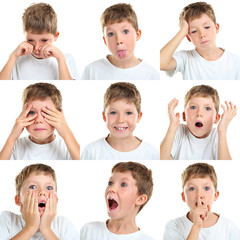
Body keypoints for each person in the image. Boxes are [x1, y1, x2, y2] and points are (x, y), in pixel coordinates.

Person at [160, 1, 240, 80]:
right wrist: (183, 31)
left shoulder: (235, 62)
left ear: (216, 28)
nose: (202, 34)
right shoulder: (185, 58)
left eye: (207, 27)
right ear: (188, 37)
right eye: (194, 31)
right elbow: (160, 63)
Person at [0, 82, 80, 160]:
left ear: (60, 116)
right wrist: (12, 137)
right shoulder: (14, 146)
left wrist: (66, 133)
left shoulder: (68, 146)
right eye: (31, 112)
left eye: (46, 112)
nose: (38, 120)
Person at [81, 82, 159, 159]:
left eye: (128, 113)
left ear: (138, 117)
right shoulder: (91, 151)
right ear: (104, 116)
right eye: (113, 113)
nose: (120, 120)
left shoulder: (151, 153)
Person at [0, 3, 78, 80]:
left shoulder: (66, 59)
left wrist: (60, 59)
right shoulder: (15, 59)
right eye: (30, 40)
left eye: (44, 40)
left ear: (56, 36)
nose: (37, 47)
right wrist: (13, 57)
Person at [81, 3, 160, 80]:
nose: (118, 40)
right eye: (111, 34)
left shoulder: (151, 74)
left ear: (137, 35)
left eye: (125, 32)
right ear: (105, 40)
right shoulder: (91, 71)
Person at [0, 163, 79, 239]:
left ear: (56, 200)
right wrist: (30, 227)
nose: (42, 192)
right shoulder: (8, 220)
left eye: (49, 188)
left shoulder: (63, 225)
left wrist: (46, 229)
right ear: (18, 199)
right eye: (33, 186)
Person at [163, 162, 240, 240]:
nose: (199, 195)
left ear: (215, 195)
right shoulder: (175, 226)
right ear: (183, 197)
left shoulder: (229, 228)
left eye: (206, 188)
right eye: (192, 189)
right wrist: (196, 225)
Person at [80, 161, 154, 239]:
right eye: (110, 183)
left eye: (123, 184)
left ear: (140, 199)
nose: (111, 188)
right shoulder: (88, 230)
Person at [160, 85, 237, 160]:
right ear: (184, 116)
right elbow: (162, 160)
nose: (199, 113)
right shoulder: (179, 131)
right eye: (193, 107)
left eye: (207, 108)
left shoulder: (218, 136)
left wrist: (223, 131)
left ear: (216, 118)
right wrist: (172, 126)